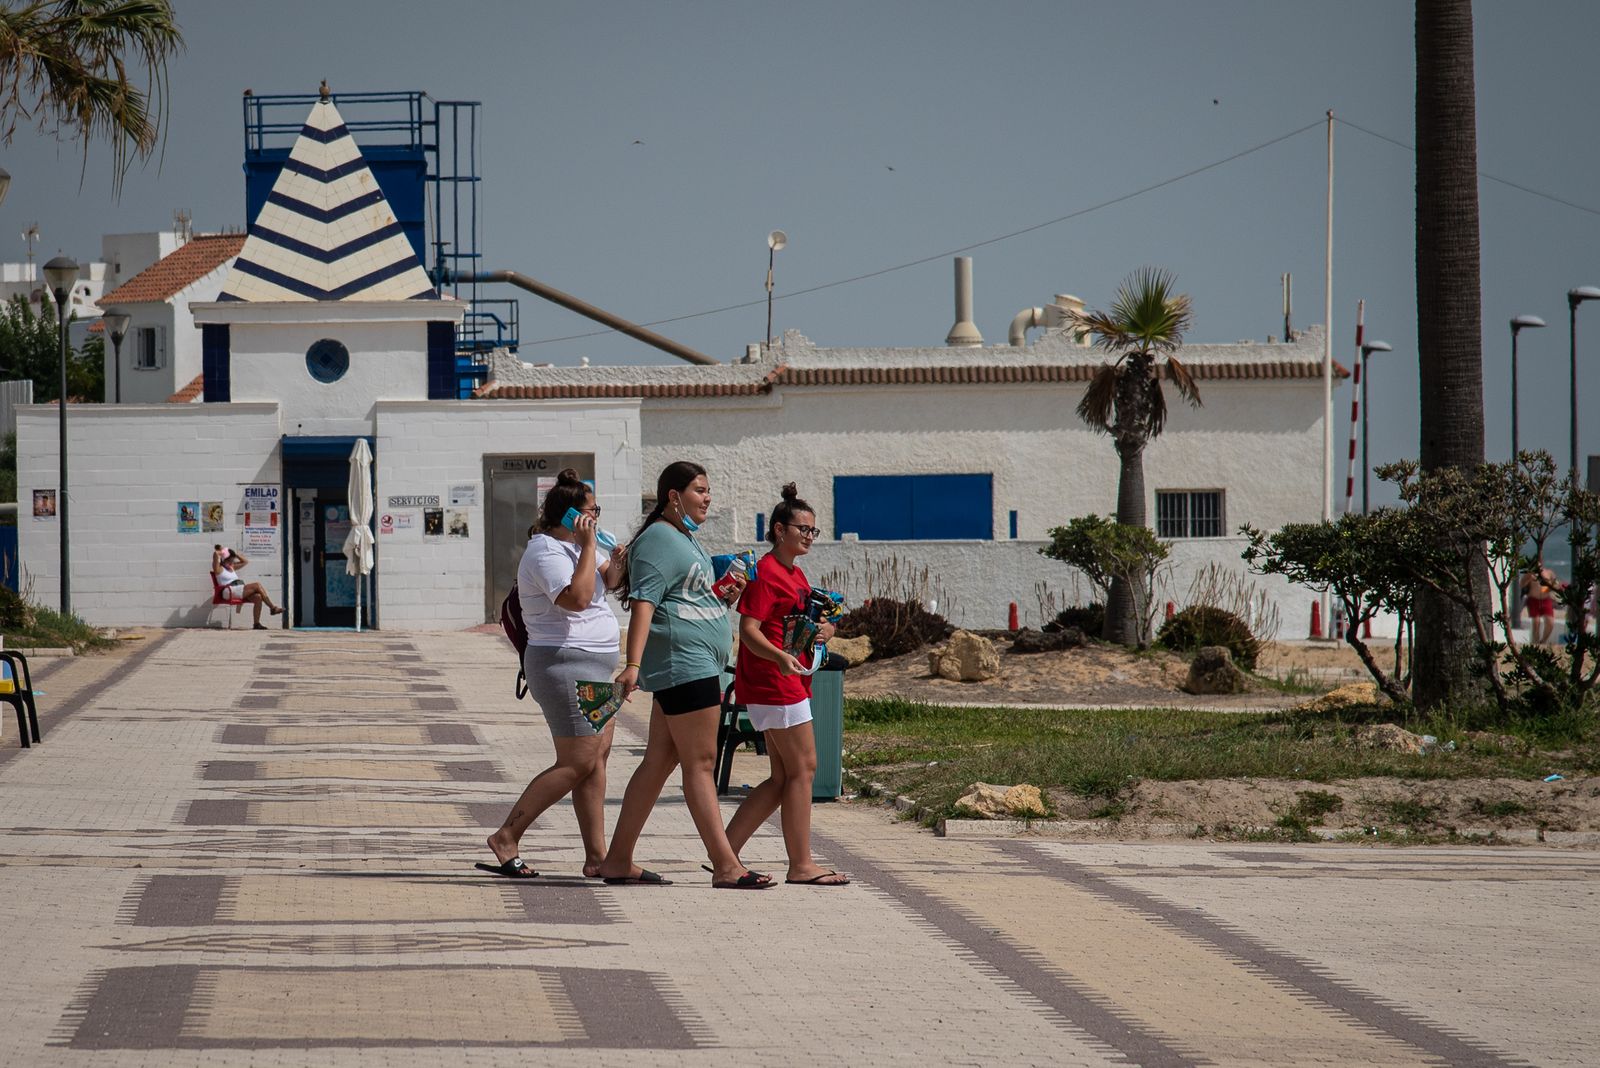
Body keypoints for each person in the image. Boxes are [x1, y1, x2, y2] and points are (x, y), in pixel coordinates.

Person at [598, 461, 771, 889]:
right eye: (699, 490)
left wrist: (722, 595)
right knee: (701, 763)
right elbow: (645, 603)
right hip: (684, 663)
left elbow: (684, 598)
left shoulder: (683, 536)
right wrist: (633, 664)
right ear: (673, 496)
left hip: (694, 661)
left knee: (659, 761)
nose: (707, 497)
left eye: (708, 490)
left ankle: (618, 859)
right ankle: (726, 866)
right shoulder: (659, 537)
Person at [480, 470, 622, 879]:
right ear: (575, 514)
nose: (598, 517)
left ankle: (597, 858)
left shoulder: (579, 546)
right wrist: (590, 544)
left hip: (595, 663)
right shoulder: (545, 551)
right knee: (577, 761)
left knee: (595, 762)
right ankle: (507, 835)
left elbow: (608, 581)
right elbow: (577, 599)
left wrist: (618, 558)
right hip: (563, 664)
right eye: (594, 511)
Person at [722, 484, 850, 886]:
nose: (809, 536)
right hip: (775, 683)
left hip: (787, 679)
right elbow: (749, 629)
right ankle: (801, 865)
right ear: (780, 529)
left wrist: (824, 630)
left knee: (782, 778)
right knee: (804, 770)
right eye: (803, 529)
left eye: (814, 530)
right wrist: (779, 656)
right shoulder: (766, 573)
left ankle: (723, 852)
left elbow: (794, 622)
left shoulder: (795, 572)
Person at [212, 545, 283, 629]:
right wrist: (223, 551)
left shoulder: (232, 567)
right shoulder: (219, 569)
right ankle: (273, 608)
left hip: (238, 590)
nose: (232, 563)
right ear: (224, 559)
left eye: (232, 560)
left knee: (258, 597)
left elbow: (245, 561)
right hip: (228, 591)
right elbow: (216, 554)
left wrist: (235, 554)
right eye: (230, 561)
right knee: (257, 585)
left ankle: (256, 624)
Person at [1520, 559, 1561, 645]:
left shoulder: (1548, 573)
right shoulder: (1530, 574)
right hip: (1533, 599)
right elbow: (1521, 584)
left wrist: (1550, 586)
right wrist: (1528, 579)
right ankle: (1536, 641)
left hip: (1545, 599)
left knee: (1550, 622)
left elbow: (1556, 585)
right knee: (1536, 621)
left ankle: (1543, 641)